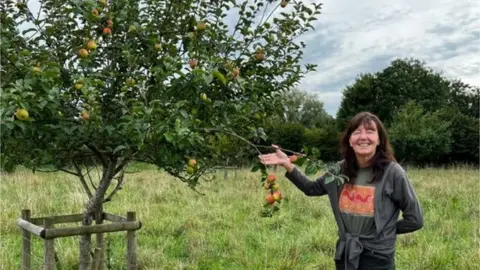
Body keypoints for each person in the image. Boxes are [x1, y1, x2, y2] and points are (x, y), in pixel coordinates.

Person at [258, 111, 424, 270]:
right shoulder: (339, 170)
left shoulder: (392, 173)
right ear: (350, 140)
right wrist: (288, 164)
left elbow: (415, 219)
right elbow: (311, 188)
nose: (363, 136)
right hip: (345, 252)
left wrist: (382, 233)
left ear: (379, 139)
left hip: (378, 257)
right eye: (357, 132)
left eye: (370, 131)